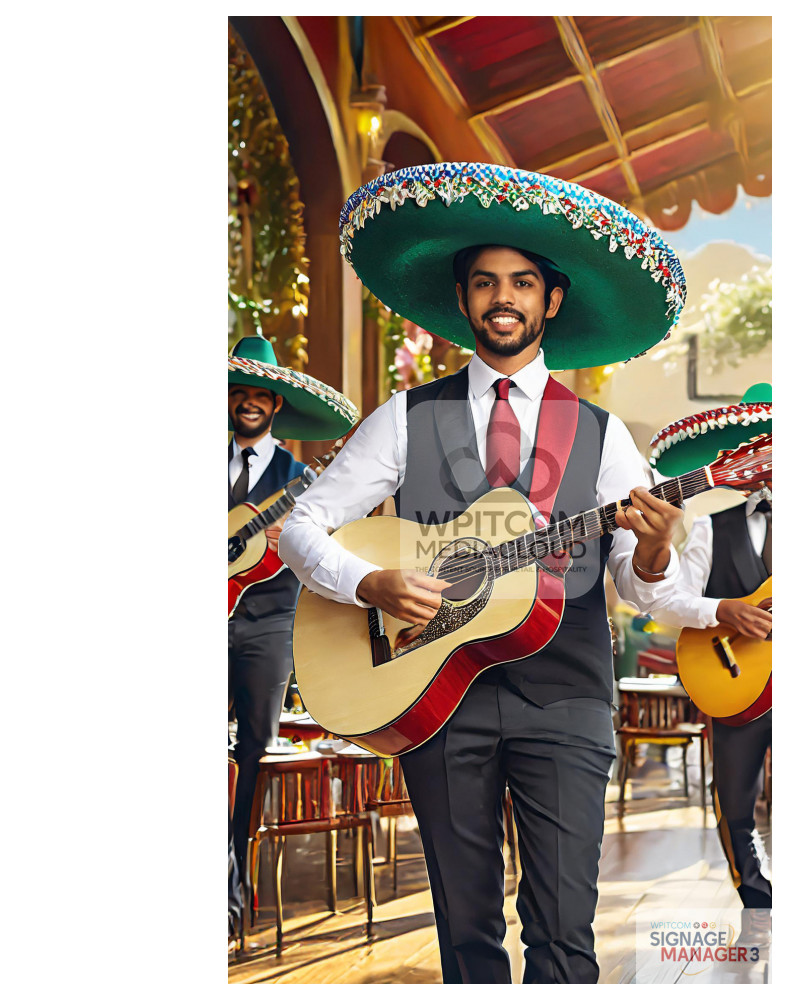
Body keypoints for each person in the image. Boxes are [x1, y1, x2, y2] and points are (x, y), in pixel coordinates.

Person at [280, 162, 702, 983]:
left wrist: (652, 549)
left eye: (520, 283)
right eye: (483, 283)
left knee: (564, 933)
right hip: (435, 692)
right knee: (466, 936)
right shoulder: (406, 418)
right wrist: (368, 583)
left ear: (551, 301)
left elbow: (639, 583)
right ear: (464, 300)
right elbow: (303, 525)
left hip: (569, 695)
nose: (501, 298)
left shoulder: (606, 435)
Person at [227, 335, 358, 945]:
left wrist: (296, 536)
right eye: (240, 391)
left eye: (262, 393)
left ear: (277, 404)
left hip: (270, 621)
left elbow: (334, 537)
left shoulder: (303, 477)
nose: (250, 401)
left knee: (256, 748)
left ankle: (238, 883)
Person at [647, 385, 773, 921]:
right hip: (734, 677)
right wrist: (722, 610)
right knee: (734, 790)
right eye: (760, 448)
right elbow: (670, 602)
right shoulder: (710, 527)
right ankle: (755, 889)